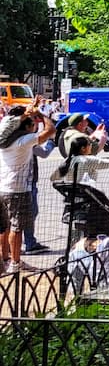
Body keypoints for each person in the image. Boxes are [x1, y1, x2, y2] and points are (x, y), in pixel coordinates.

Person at [0, 104, 56, 273]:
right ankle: (15, 264)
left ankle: (5, 260)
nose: (35, 127)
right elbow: (51, 130)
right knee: (17, 228)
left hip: (2, 187)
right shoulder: (24, 141)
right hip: (17, 189)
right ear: (26, 127)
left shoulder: (5, 142)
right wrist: (40, 113)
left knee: (4, 226)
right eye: (33, 124)